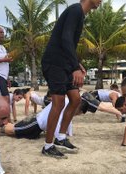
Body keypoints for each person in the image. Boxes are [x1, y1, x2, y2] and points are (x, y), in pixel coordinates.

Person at [41, 0, 101, 158]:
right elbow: (66, 39)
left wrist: (76, 63)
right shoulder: (75, 10)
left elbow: (68, 45)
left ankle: (60, 138)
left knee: (75, 100)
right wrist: (74, 67)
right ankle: (48, 146)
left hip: (65, 63)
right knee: (58, 102)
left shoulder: (80, 14)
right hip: (54, 63)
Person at [0, 98, 75, 157]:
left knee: (20, 133)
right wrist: (60, 136)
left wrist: (68, 133)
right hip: (35, 123)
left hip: (38, 128)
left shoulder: (68, 103)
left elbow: (67, 121)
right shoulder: (66, 103)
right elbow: (58, 121)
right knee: (12, 130)